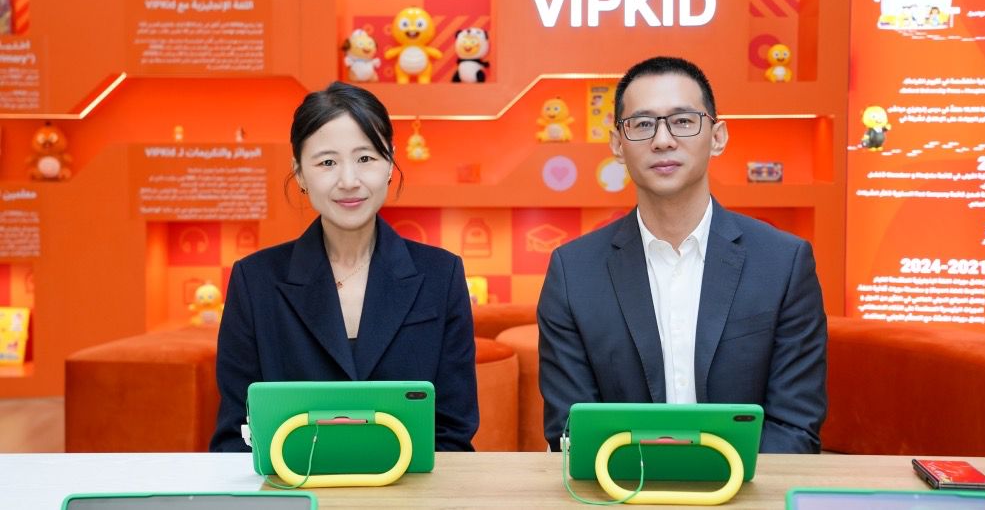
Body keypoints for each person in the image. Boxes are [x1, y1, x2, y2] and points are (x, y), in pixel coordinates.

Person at [537, 56, 827, 454]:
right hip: (621, 486)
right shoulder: (574, 272)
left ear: (718, 137)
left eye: (683, 121)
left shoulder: (783, 264)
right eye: (642, 124)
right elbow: (572, 430)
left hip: (747, 486)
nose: (662, 140)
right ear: (618, 145)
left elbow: (795, 428)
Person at [210, 82, 478, 452]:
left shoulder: (441, 276)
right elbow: (236, 436)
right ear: (299, 173)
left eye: (365, 158)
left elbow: (453, 433)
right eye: (327, 162)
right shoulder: (255, 281)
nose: (349, 181)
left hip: (410, 486)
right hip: (292, 485)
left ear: (390, 163)